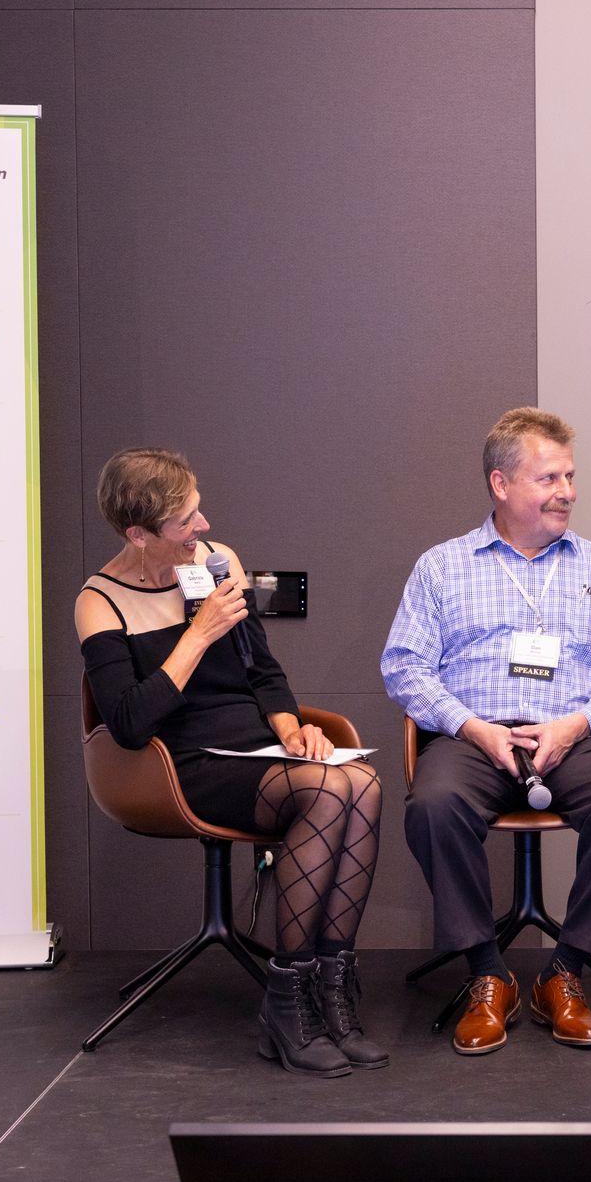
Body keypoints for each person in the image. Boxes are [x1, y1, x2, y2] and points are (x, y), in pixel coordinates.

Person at [76, 448, 386, 1078]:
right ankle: (287, 999)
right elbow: (130, 722)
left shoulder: (219, 565)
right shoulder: (99, 602)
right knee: (326, 796)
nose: (204, 527)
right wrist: (196, 634)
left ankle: (331, 990)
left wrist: (293, 728)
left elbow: (262, 670)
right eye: (185, 521)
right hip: (179, 762)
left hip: (258, 746)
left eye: (198, 510)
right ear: (138, 533)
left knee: (362, 782)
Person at [382, 407, 591, 1056]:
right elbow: (404, 667)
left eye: (569, 476)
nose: (566, 490)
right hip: (475, 735)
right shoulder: (442, 567)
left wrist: (576, 723)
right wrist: (472, 727)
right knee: (433, 805)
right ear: (501, 485)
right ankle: (488, 971)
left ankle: (566, 971)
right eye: (548, 478)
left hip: (575, 733)